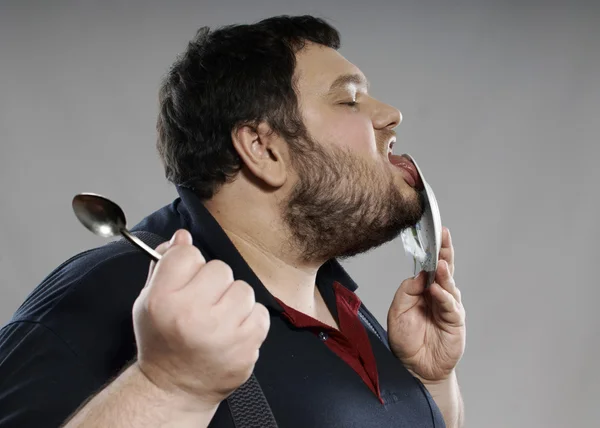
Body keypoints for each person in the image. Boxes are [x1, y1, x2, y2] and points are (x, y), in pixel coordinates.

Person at [0, 15, 466, 428]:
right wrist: (165, 386)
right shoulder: (108, 292)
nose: (391, 115)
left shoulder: (339, 303)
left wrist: (430, 384)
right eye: (349, 101)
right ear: (263, 149)